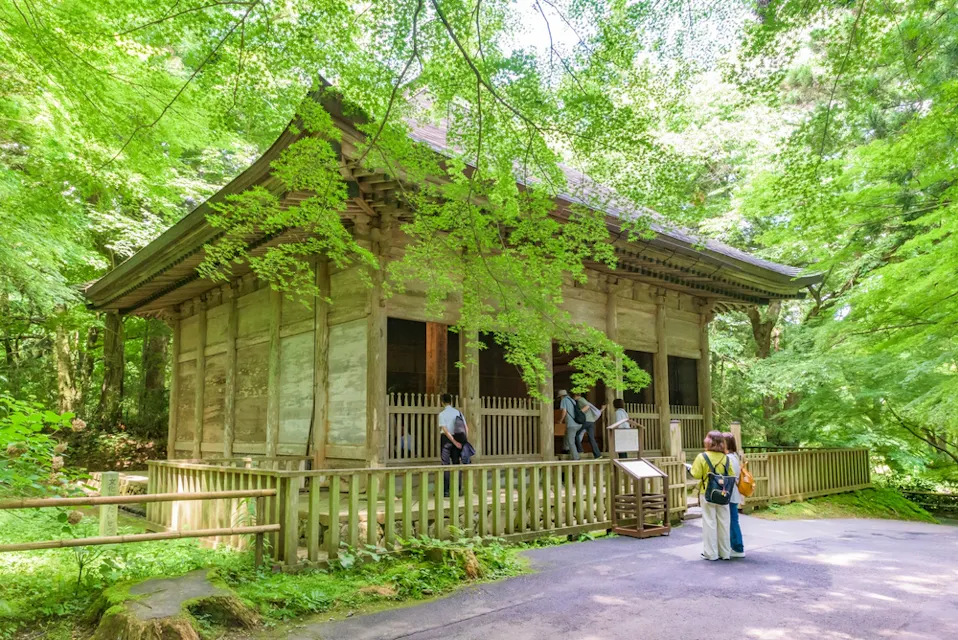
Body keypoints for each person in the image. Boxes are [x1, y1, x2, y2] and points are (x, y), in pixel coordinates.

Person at [690, 431, 732, 561]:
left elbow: (696, 474)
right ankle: (725, 552)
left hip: (707, 493)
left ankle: (711, 553)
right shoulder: (726, 458)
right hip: (724, 493)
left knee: (709, 522)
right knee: (724, 522)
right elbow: (731, 474)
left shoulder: (702, 457)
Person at [438, 393, 469, 496]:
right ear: (451, 401)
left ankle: (446, 491)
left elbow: (445, 430)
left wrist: (453, 441)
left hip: (446, 440)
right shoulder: (458, 413)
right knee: (456, 463)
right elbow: (465, 428)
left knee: (445, 464)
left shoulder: (442, 414)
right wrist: (463, 442)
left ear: (442, 402)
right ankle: (457, 489)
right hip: (458, 439)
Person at [723, 430, 745, 558]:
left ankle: (737, 547)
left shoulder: (729, 459)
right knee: (733, 520)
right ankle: (736, 546)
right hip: (734, 493)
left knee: (732, 521)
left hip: (730, 494)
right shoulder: (735, 456)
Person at [574, 392, 603, 459]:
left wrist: (580, 412)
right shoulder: (583, 400)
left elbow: (587, 406)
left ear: (576, 395)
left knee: (576, 433)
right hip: (591, 421)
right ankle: (597, 454)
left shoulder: (581, 400)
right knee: (591, 438)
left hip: (586, 420)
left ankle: (580, 450)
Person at [557, 390, 581, 460]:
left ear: (561, 396)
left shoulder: (564, 400)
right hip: (577, 423)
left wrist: (561, 420)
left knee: (571, 441)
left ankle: (576, 457)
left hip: (571, 424)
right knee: (566, 435)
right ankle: (565, 449)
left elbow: (564, 411)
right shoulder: (572, 400)